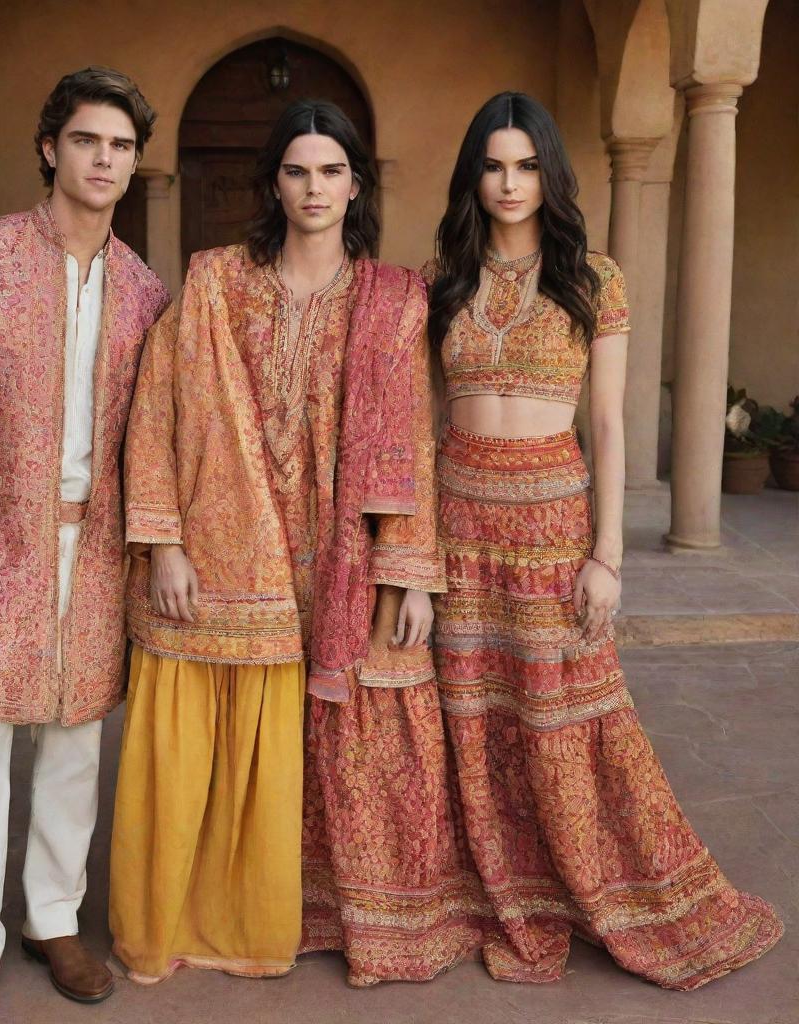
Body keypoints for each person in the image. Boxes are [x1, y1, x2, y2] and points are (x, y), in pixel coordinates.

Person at [425, 91, 782, 990]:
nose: (511, 183)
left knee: (567, 722)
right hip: (460, 523)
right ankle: (507, 890)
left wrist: (607, 555)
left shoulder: (594, 278)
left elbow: (613, 429)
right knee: (475, 722)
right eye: (495, 165)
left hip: (553, 528)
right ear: (475, 173)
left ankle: (605, 884)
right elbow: (427, 419)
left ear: (552, 173)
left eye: (527, 165)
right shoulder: (446, 279)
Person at [109, 99, 445, 985]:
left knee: (356, 733)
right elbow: (157, 408)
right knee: (222, 741)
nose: (314, 188)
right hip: (230, 549)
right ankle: (213, 913)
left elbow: (412, 436)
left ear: (356, 183)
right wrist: (164, 541)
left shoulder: (391, 299)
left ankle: (340, 916)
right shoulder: (218, 281)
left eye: (332, 170)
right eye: (297, 170)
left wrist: (410, 573)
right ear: (273, 183)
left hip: (345, 549)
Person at [0, 67, 169, 1023]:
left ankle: (53, 919)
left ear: (136, 164)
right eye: (88, 140)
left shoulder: (143, 289)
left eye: (122, 146)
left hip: (95, 553)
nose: (105, 159)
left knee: (75, 746)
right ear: (51, 147)